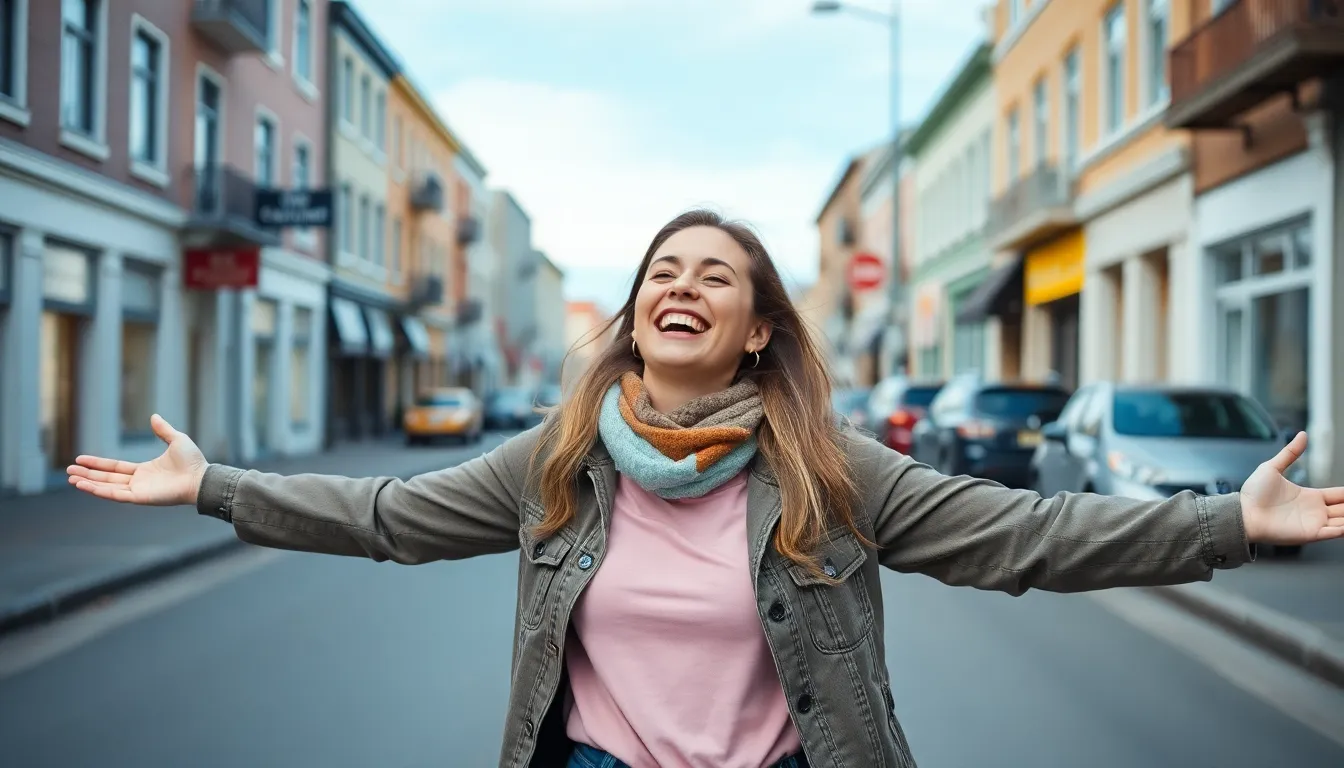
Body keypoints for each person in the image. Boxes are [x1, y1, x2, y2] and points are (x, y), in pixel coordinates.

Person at [69, 210, 1342, 768]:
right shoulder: (557, 462)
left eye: (715, 275)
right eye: (661, 269)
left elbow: (1030, 536)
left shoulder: (830, 474)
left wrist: (1231, 520)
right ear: (636, 317)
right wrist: (212, 489)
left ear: (755, 331)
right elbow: (392, 518)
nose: (680, 284)